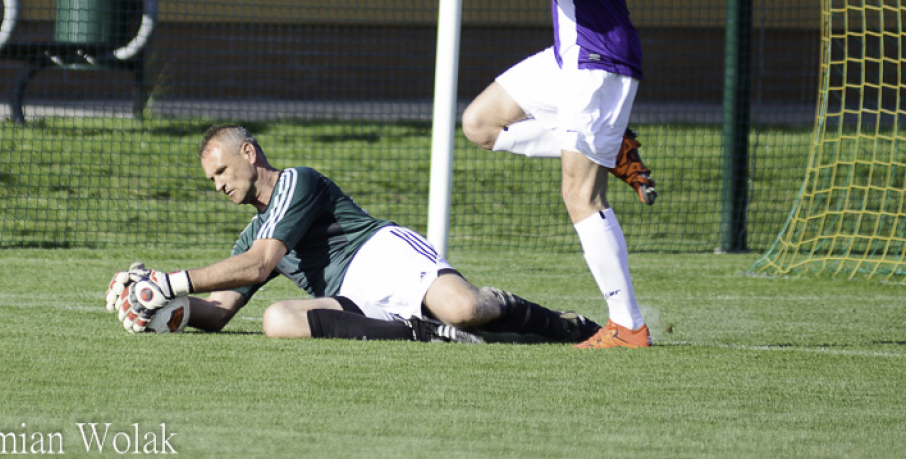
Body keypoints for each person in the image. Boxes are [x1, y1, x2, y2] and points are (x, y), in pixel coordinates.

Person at [434, 0, 663, 348]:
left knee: (579, 195)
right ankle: (615, 152)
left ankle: (628, 326)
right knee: (480, 125)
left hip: (599, 62)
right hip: (569, 57)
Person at [106, 124, 601, 345]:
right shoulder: (253, 235)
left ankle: (567, 326)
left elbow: (260, 264)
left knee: (468, 308)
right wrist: (167, 309)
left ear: (249, 153)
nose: (217, 185)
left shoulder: (298, 181)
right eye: (211, 180)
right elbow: (219, 314)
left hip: (385, 257)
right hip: (351, 299)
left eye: (220, 171)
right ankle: (423, 332)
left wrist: (169, 281)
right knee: (277, 320)